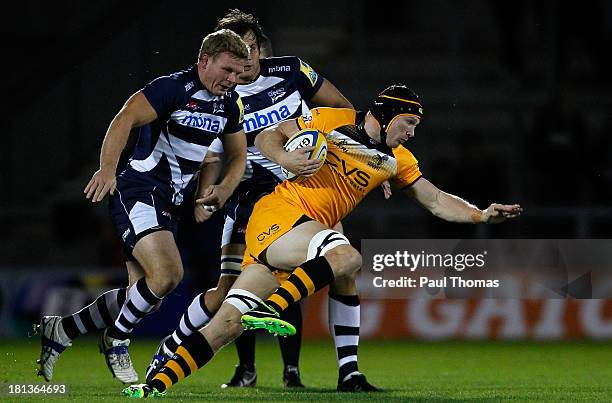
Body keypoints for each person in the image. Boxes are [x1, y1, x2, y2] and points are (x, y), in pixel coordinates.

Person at [123, 84, 522, 397]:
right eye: (409, 123)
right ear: (384, 115)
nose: (412, 132)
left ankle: (156, 384)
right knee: (346, 256)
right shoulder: (331, 119)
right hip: (279, 214)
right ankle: (275, 310)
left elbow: (435, 200)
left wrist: (479, 213)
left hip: (297, 238)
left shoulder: (398, 160)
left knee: (227, 324)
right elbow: (267, 137)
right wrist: (286, 159)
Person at [145, 9, 378, 391]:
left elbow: (342, 110)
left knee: (343, 267)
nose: (247, 58)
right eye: (238, 53)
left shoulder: (291, 71)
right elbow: (212, 151)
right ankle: (176, 347)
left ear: (261, 47)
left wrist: (367, 159)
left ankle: (345, 372)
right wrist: (211, 188)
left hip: (309, 189)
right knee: (230, 290)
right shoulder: (218, 91)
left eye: (252, 48)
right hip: (250, 193)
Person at [36, 29, 250, 384]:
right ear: (205, 60)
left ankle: (63, 328)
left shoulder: (229, 104)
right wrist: (106, 169)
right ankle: (116, 339)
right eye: (227, 70)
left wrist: (220, 190)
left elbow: (237, 155)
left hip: (170, 204)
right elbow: (125, 118)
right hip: (140, 190)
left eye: (238, 73)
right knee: (168, 275)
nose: (232, 79)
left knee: (147, 298)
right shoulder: (171, 88)